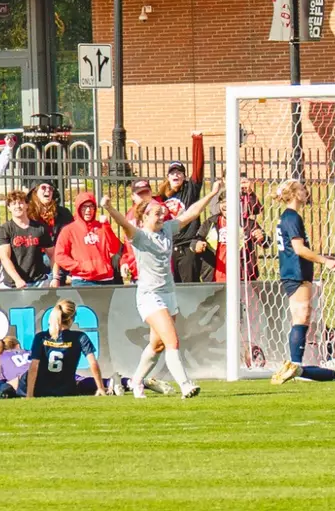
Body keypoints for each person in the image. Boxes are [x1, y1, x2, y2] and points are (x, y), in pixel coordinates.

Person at [102, 184, 221, 400]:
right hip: (149, 296)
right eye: (156, 213)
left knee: (156, 345)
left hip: (168, 293)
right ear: (145, 216)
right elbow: (122, 223)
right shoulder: (139, 236)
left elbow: (191, 213)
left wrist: (211, 194)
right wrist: (110, 208)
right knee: (172, 341)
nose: (161, 216)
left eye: (162, 212)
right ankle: (185, 385)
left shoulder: (167, 229)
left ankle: (135, 380)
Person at [267, 179, 335, 384]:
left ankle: (294, 364)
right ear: (295, 194)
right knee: (302, 316)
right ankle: (295, 364)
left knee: (302, 316)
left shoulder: (288, 217)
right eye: (302, 189)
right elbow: (299, 249)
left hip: (293, 272)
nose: (305, 191)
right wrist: (326, 261)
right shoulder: (292, 217)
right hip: (296, 272)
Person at [26, 299, 110, 397]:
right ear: (71, 318)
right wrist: (100, 387)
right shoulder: (79, 337)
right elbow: (93, 363)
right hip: (68, 391)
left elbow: (34, 366)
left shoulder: (41, 337)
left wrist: (29, 394)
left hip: (41, 391)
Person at [162, 142, 212, 282]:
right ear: (168, 177)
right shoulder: (162, 197)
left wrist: (197, 139)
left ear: (184, 176)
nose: (176, 175)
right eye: (172, 172)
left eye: (179, 172)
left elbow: (198, 169)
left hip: (187, 247)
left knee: (189, 287)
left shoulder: (190, 190)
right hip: (168, 248)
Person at [53, 190, 123, 286]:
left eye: (91, 206)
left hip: (106, 278)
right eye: (84, 207)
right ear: (78, 208)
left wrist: (107, 227)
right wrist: (79, 266)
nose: (88, 210)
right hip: (82, 280)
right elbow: (60, 256)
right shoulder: (69, 230)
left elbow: (114, 248)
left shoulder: (102, 227)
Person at [0, 189, 52, 287]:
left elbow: (53, 254)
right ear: (9, 208)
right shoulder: (4, 229)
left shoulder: (40, 228)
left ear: (27, 205)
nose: (17, 206)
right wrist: (18, 280)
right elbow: (5, 258)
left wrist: (55, 277)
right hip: (13, 285)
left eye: (21, 203)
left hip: (38, 282)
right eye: (13, 204)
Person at [213, 187, 266, 283]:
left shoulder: (249, 224)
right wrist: (198, 243)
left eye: (228, 202)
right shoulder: (213, 222)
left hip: (244, 277)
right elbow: (197, 239)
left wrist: (261, 237)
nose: (225, 205)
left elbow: (267, 243)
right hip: (219, 277)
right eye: (222, 202)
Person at [0, 334, 32, 399]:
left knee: (2, 388)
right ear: (18, 346)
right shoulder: (30, 352)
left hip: (23, 382)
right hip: (41, 379)